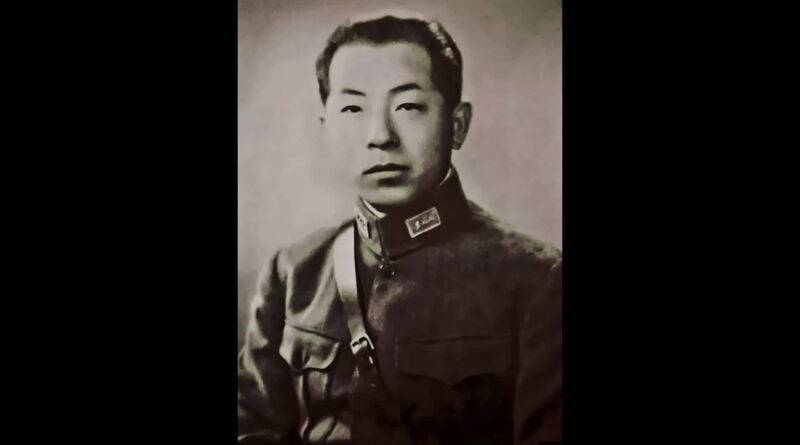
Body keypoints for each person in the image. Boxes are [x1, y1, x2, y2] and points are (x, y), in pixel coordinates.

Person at [238, 13, 562, 445]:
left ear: (457, 125)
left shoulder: (537, 280)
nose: (380, 136)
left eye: (407, 107)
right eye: (353, 108)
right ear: (326, 129)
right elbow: (252, 427)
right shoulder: (293, 273)